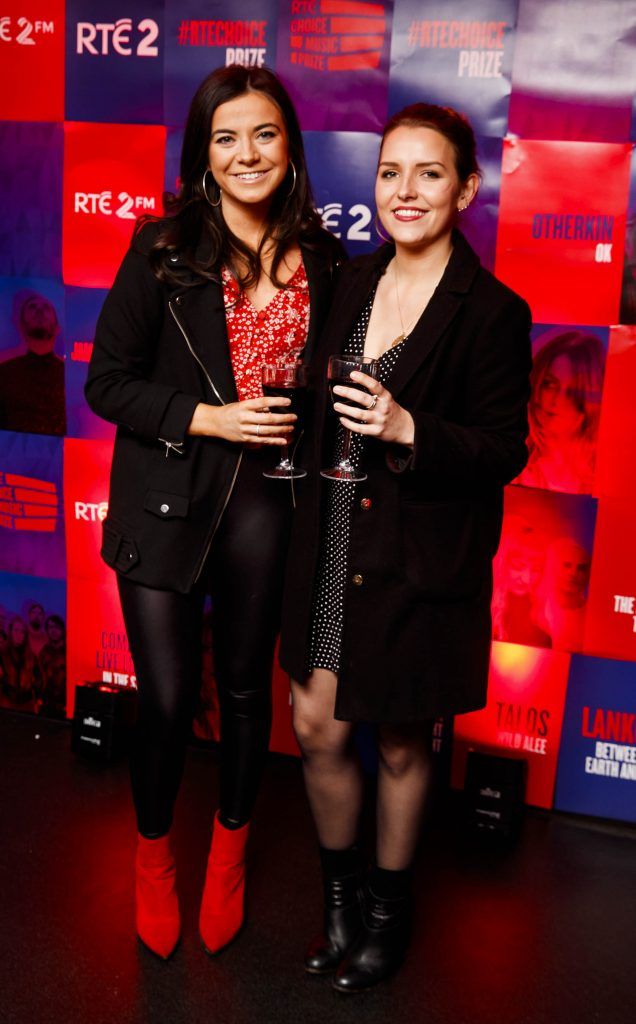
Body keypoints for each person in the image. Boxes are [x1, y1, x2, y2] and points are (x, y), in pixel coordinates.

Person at [85, 65, 343, 961]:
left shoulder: (324, 258)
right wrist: (209, 416)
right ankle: (155, 860)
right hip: (165, 498)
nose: (247, 154)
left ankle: (228, 857)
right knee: (162, 699)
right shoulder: (161, 248)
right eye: (226, 137)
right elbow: (105, 384)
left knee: (243, 692)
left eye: (264, 134)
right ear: (203, 152)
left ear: (290, 146)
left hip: (267, 502)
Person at [279, 102, 532, 992]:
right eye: (390, 172)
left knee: (396, 740)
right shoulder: (349, 282)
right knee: (315, 726)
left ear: (466, 188)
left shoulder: (492, 310)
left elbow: (505, 449)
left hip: (420, 555)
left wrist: (410, 426)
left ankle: (389, 911)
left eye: (429, 173)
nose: (406, 190)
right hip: (330, 538)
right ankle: (340, 903)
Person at [514, 330, 604, 494]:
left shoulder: (602, 474)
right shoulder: (513, 461)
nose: (557, 400)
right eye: (549, 384)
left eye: (573, 391)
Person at [0, 292, 66, 435]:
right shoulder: (4, 374)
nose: (39, 311)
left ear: (57, 327)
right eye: (32, 307)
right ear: (21, 325)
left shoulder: (72, 378)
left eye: (46, 308)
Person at [491, 514, 551, 648]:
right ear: (501, 562)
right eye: (518, 566)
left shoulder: (539, 624)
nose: (527, 578)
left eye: (536, 569)